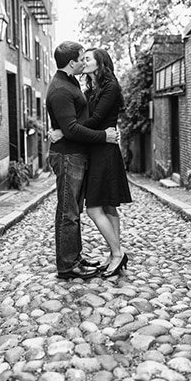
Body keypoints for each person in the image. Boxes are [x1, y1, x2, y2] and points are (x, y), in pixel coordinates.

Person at [49, 48, 131, 277]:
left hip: (104, 151)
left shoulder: (110, 87)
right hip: (95, 149)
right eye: (82, 58)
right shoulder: (89, 89)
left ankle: (117, 253)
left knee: (96, 208)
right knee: (106, 205)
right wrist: (61, 128)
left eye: (88, 59)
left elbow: (93, 121)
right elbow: (78, 118)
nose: (84, 62)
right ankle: (115, 252)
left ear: (100, 63)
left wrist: (64, 133)